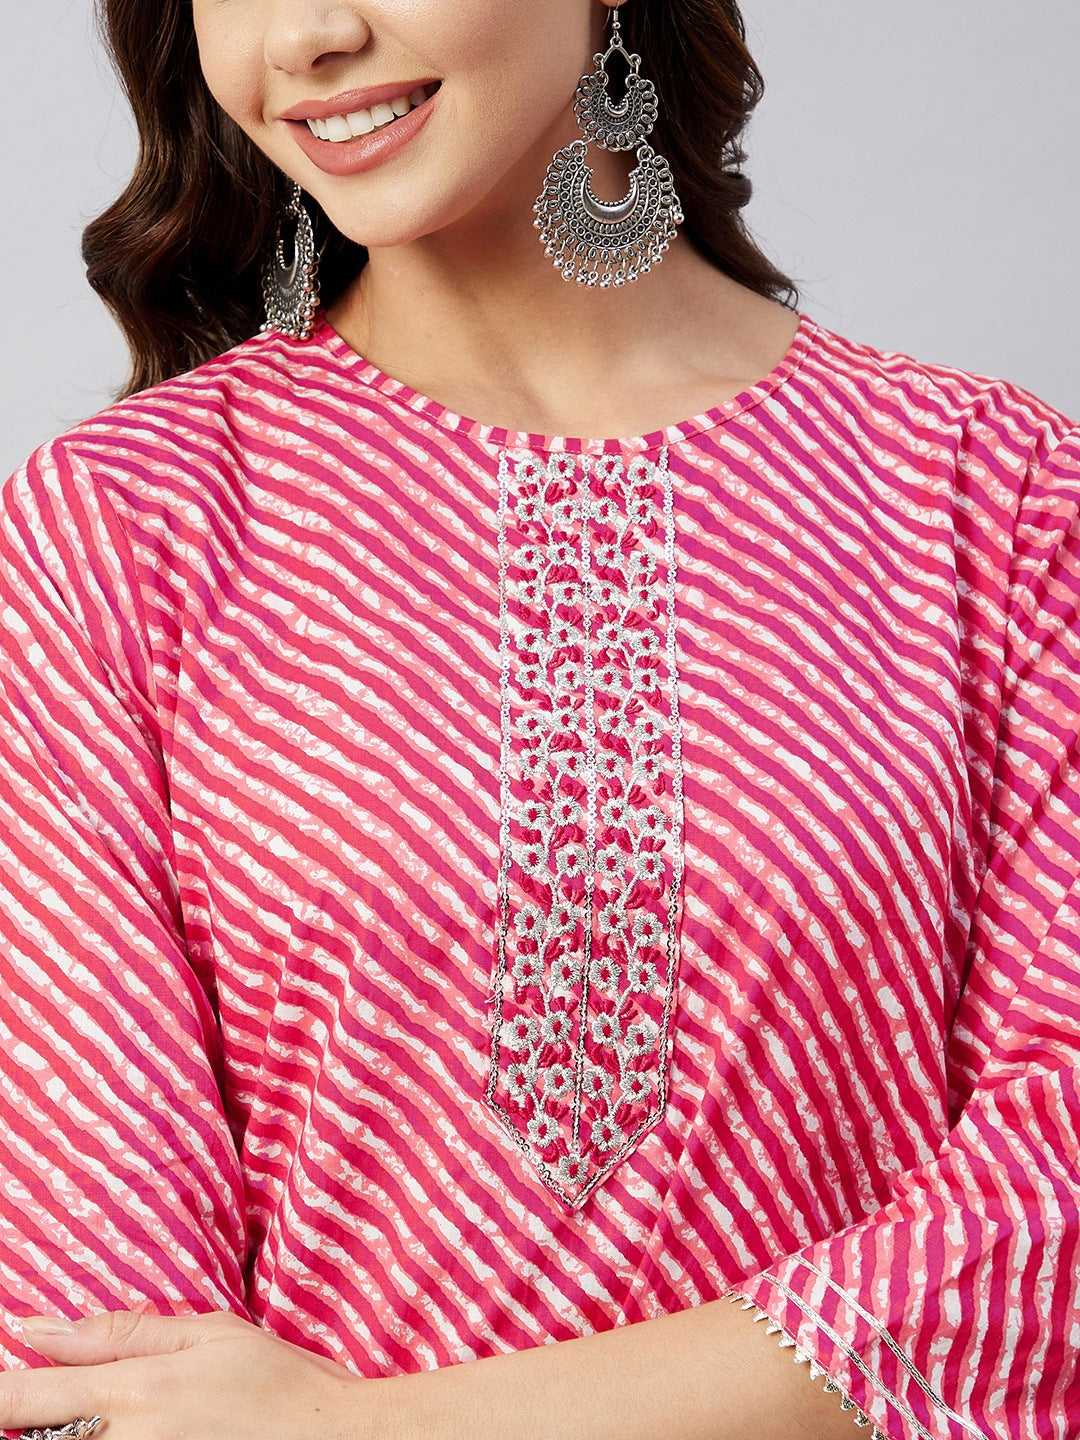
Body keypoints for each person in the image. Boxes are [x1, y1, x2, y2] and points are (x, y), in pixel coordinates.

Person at [0, 1, 1076, 1437]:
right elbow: (93, 1333)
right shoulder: (131, 527)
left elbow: (1054, 1205)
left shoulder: (988, 493)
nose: (306, 35)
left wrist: (380, 1429)